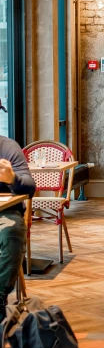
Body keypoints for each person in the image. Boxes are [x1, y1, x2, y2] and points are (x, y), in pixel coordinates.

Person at [0, 137, 36, 320]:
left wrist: (12, 179)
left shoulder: (8, 148)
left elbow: (30, 188)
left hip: (5, 212)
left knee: (11, 234)